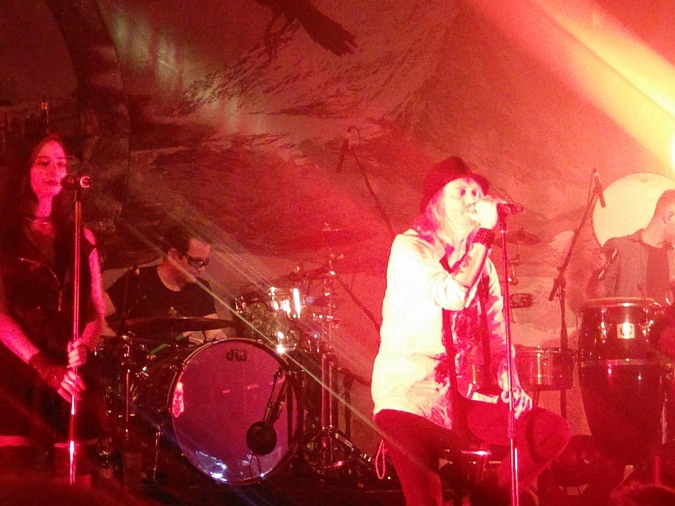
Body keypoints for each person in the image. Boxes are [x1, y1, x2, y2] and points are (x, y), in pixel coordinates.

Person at [371, 156, 571, 506]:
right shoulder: (410, 247)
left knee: (551, 432)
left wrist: (511, 382)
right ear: (436, 203)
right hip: (410, 397)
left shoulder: (485, 266)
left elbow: (497, 334)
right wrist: (484, 235)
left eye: (476, 192)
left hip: (465, 399)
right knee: (425, 501)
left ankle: (488, 498)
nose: (472, 198)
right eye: (461, 192)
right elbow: (452, 295)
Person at [0, 133, 106, 473]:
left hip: (70, 370)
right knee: (18, 477)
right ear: (23, 170)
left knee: (75, 475)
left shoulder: (81, 236)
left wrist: (85, 345)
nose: (55, 172)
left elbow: (96, 309)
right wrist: (42, 365)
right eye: (43, 163)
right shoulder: (4, 235)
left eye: (61, 164)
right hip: (19, 367)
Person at [104, 223, 224, 346]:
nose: (202, 269)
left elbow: (213, 330)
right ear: (173, 255)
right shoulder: (138, 280)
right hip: (140, 356)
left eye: (205, 262)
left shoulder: (201, 289)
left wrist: (219, 340)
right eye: (196, 261)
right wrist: (116, 340)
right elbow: (96, 314)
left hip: (180, 358)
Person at [586, 188, 675, 305]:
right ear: (669, 216)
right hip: (629, 317)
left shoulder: (673, 257)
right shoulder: (619, 247)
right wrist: (596, 275)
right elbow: (597, 296)